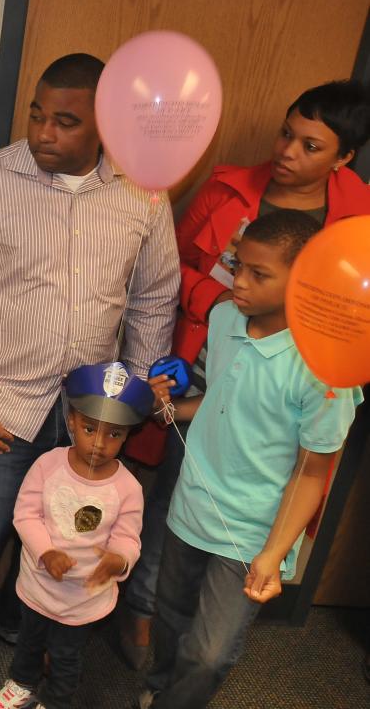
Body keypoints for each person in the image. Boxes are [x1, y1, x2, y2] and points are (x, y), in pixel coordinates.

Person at [0, 53, 179, 699]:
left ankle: (23, 617)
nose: (43, 133)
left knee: (68, 528)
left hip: (92, 410)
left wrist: (138, 390)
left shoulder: (143, 192)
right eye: (37, 114)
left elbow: (152, 298)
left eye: (65, 121)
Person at [117, 79, 370, 666]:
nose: (287, 151)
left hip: (289, 378)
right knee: (179, 493)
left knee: (261, 486)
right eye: (287, 134)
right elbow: (168, 261)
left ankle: (232, 596)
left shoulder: (355, 221)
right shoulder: (229, 185)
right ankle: (145, 612)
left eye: (311, 145)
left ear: (345, 157)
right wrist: (216, 301)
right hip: (210, 358)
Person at [136, 210, 363, 709]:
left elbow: (313, 470)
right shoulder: (223, 319)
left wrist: (273, 553)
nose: (237, 282)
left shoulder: (322, 368)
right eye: (238, 265)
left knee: (211, 652)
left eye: (258, 274)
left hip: (253, 531)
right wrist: (166, 408)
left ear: (303, 279)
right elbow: (220, 401)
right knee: (170, 617)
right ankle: (159, 690)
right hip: (190, 507)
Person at [0, 362, 149, 709]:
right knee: (28, 641)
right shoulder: (48, 465)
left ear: (127, 435)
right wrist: (46, 552)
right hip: (38, 586)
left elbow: (128, 538)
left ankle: (56, 701)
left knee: (66, 655)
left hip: (83, 598)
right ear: (72, 420)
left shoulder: (128, 488)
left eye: (114, 435)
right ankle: (22, 683)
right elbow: (26, 514)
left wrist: (118, 560)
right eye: (90, 428)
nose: (100, 444)